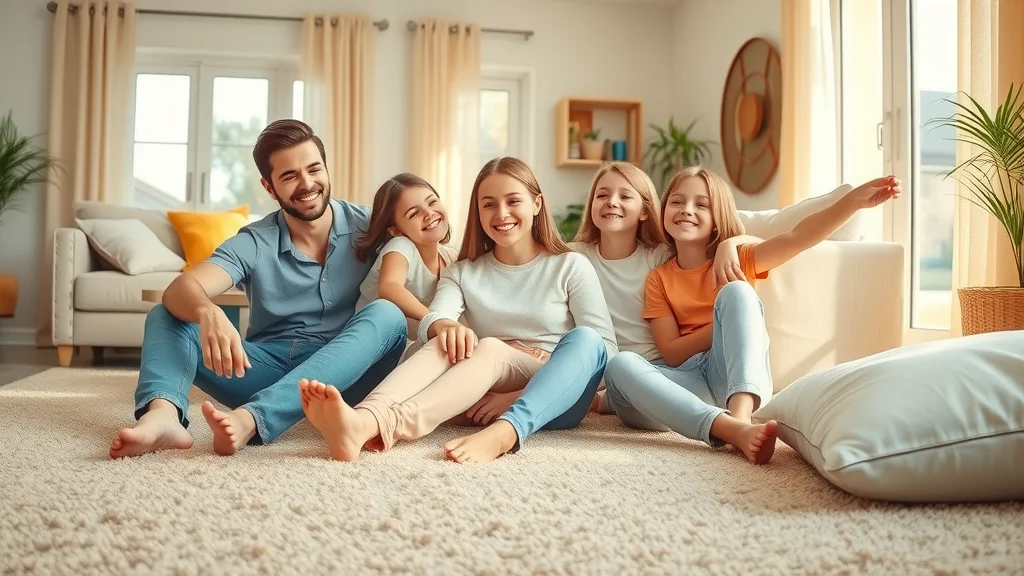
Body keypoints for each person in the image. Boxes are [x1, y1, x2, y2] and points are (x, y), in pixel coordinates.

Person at [109, 119, 408, 459]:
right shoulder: (254, 241)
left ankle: (252, 419)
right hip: (266, 370)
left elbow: (437, 247)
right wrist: (208, 310)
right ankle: (163, 416)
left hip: (353, 377)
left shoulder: (372, 224)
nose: (307, 183)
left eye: (314, 169)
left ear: (326, 169)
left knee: (388, 313)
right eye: (290, 176)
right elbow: (182, 288)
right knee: (167, 313)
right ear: (269, 188)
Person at [298, 156, 617, 463]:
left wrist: (516, 394)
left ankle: (499, 432)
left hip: (559, 393)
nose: (501, 213)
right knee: (445, 337)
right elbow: (437, 320)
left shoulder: (571, 265)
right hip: (487, 381)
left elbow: (605, 354)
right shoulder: (462, 271)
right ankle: (365, 421)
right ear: (476, 212)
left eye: (513, 201)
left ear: (536, 203)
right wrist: (442, 327)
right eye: (489, 204)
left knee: (579, 340)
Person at [603, 165, 901, 464]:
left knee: (737, 291)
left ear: (719, 216)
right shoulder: (659, 278)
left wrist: (852, 202)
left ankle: (742, 420)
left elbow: (800, 236)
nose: (686, 210)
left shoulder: (739, 260)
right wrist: (720, 326)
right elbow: (671, 353)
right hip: (685, 385)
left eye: (701, 204)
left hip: (730, 379)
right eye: (677, 202)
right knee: (620, 365)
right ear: (663, 209)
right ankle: (729, 429)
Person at [567, 162, 758, 415]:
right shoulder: (573, 257)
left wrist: (731, 243)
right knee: (621, 369)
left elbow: (733, 239)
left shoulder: (661, 256)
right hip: (624, 373)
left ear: (646, 211)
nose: (611, 202)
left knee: (629, 374)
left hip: (666, 371)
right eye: (602, 195)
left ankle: (729, 418)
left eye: (624, 196)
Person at [353, 173, 459, 360]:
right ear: (397, 230)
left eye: (432, 202)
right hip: (373, 345)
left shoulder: (451, 258)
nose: (428, 213)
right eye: (414, 213)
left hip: (409, 349)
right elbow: (389, 286)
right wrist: (434, 321)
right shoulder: (401, 246)